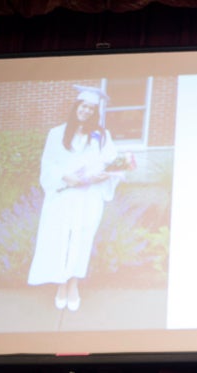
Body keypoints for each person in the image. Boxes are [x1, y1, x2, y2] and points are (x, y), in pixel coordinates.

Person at [28, 85, 122, 312]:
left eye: (91, 108)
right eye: (83, 106)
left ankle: (74, 285)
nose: (86, 111)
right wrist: (65, 177)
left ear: (95, 112)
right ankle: (61, 285)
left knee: (82, 240)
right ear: (76, 107)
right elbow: (48, 166)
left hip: (89, 197)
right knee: (61, 239)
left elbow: (113, 165)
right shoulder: (56, 133)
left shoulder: (101, 136)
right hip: (64, 196)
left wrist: (105, 176)